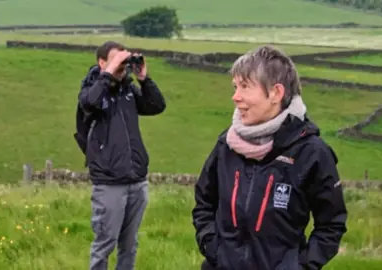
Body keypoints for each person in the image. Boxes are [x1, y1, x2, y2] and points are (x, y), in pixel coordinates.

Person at [191, 45, 347, 270]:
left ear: (276, 93)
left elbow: (331, 224)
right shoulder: (226, 144)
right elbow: (204, 202)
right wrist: (213, 248)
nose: (235, 97)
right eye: (235, 87)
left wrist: (299, 266)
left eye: (245, 87)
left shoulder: (311, 153)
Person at [77, 41, 166, 270]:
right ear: (102, 62)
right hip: (109, 182)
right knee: (104, 244)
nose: (121, 66)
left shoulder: (128, 90)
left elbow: (156, 106)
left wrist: (144, 78)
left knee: (129, 245)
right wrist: (107, 75)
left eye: (123, 61)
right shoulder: (91, 90)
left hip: (136, 180)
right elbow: (90, 103)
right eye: (116, 60)